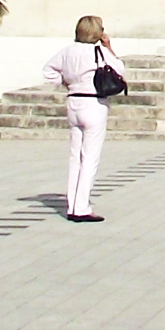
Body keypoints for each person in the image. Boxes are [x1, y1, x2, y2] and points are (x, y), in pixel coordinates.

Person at [42, 13, 124, 220]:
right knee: (90, 157)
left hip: (74, 101)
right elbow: (120, 69)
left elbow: (48, 70)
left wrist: (64, 81)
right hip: (94, 103)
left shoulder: (67, 51)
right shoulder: (99, 51)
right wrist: (108, 46)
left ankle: (72, 205)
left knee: (75, 157)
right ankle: (82, 207)